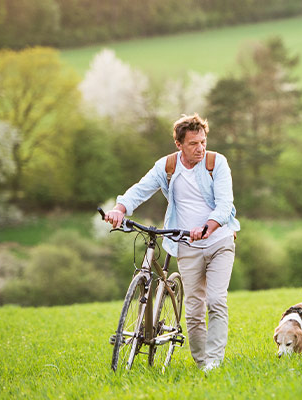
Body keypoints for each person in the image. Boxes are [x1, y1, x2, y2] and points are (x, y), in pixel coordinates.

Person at [104, 113, 240, 372]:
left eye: (203, 142)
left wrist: (208, 227)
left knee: (216, 300)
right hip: (187, 244)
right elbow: (140, 189)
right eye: (193, 144)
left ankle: (214, 361)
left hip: (219, 241)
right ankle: (202, 364)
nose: (200, 148)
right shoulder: (167, 166)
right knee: (193, 308)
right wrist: (120, 208)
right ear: (179, 144)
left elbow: (225, 204)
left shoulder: (216, 163)